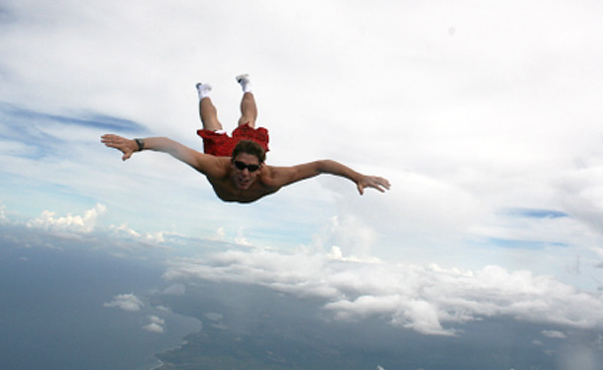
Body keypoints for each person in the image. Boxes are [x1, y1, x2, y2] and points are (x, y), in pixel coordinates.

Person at [101, 74, 390, 203]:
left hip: (249, 149)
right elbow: (171, 146)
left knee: (247, 122)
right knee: (211, 125)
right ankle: (204, 90)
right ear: (234, 162)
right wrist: (136, 145)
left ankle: (247, 85)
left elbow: (320, 165)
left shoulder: (272, 177)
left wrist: (357, 177)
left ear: (261, 166)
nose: (244, 173)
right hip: (226, 151)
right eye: (240, 166)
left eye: (251, 168)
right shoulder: (218, 165)